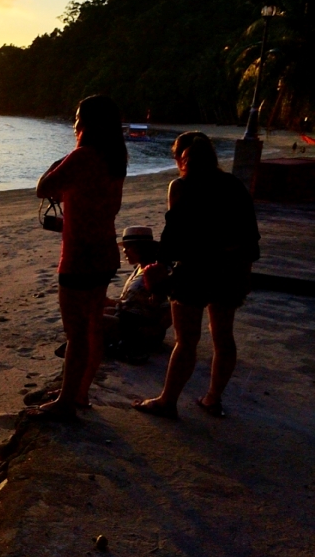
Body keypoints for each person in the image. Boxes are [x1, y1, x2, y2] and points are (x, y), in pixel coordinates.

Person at [133, 132, 260, 419]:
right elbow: (251, 236)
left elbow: (174, 234)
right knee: (223, 337)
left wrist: (160, 265)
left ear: (181, 158)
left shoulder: (181, 186)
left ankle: (168, 401)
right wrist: (245, 272)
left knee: (186, 341)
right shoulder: (234, 185)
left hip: (196, 269)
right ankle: (213, 399)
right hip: (231, 269)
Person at [34, 95, 127, 419]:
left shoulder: (83, 156)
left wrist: (59, 163)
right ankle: (80, 393)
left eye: (78, 117)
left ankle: (64, 403)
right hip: (105, 252)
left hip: (80, 257)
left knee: (75, 333)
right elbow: (89, 202)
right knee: (92, 328)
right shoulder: (116, 157)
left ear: (88, 123)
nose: (74, 123)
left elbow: (44, 188)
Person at [103, 226, 171, 363]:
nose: (124, 251)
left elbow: (171, 304)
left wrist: (158, 328)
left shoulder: (157, 272)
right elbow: (132, 303)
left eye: (128, 247)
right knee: (94, 313)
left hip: (142, 327)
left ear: (140, 248)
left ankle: (118, 346)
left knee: (95, 321)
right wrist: (110, 302)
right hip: (129, 318)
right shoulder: (140, 268)